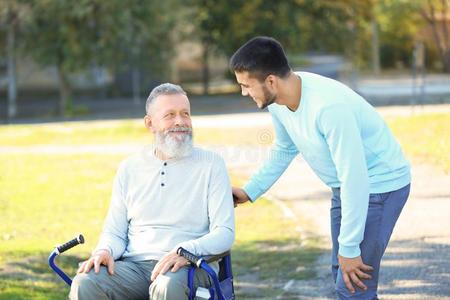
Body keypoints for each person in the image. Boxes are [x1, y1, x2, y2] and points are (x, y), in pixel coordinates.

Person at [230, 36, 410, 299]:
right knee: (344, 272)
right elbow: (284, 148)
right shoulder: (279, 101)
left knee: (352, 284)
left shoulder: (328, 108)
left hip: (379, 186)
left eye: (246, 85)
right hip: (345, 187)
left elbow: (355, 177)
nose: (244, 92)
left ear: (270, 81)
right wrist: (250, 191)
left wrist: (349, 247)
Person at [69, 83, 235, 300]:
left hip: (189, 266)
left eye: (186, 114)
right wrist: (105, 251)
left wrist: (185, 252)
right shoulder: (130, 168)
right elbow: (115, 232)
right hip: (135, 268)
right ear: (150, 123)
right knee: (86, 283)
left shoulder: (212, 164)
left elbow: (225, 232)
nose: (180, 121)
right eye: (170, 115)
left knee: (166, 286)